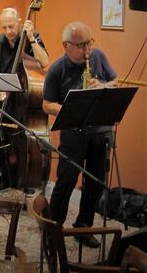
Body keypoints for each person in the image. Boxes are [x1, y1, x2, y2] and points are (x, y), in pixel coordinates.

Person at [43, 22, 117, 248]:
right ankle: (53, 231)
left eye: (88, 43)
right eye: (81, 45)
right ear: (66, 45)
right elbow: (47, 104)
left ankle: (83, 228)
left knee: (95, 182)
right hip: (73, 133)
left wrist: (103, 86)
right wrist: (71, 108)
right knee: (66, 182)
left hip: (98, 131)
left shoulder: (98, 56)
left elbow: (115, 82)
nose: (87, 50)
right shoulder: (57, 69)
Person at [0, 7, 49, 192]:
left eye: (12, 26)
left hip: (26, 97)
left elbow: (45, 62)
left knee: (26, 139)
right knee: (4, 139)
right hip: (6, 97)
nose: (8, 31)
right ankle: (5, 177)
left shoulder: (32, 37)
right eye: (4, 27)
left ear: (20, 22)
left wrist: (30, 38)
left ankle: (27, 178)